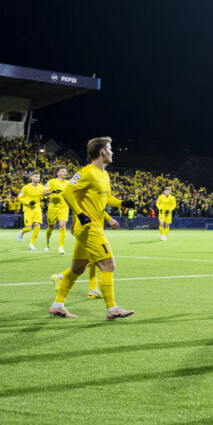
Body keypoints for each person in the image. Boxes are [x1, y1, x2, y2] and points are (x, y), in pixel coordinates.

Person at [48, 136, 134, 320]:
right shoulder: (87, 172)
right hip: (89, 228)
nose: (112, 152)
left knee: (77, 270)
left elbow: (106, 198)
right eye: (110, 149)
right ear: (102, 152)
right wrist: (79, 213)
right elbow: (67, 191)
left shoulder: (104, 174)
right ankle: (112, 309)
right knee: (108, 266)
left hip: (89, 229)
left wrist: (123, 203)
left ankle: (58, 305)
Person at [17, 172, 46, 249]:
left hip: (37, 208)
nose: (37, 178)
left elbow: (46, 193)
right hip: (28, 209)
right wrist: (28, 202)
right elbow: (20, 197)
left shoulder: (42, 187)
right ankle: (22, 232)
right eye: (36, 176)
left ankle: (31, 244)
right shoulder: (25, 188)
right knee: (28, 228)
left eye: (38, 177)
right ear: (31, 178)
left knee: (37, 225)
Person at [44, 167, 70, 253]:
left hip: (64, 207)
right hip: (53, 207)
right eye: (63, 171)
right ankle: (47, 242)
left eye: (66, 171)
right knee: (51, 227)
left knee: (62, 225)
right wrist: (53, 191)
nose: (65, 172)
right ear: (58, 173)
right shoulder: (51, 182)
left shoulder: (69, 183)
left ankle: (61, 247)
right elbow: (44, 193)